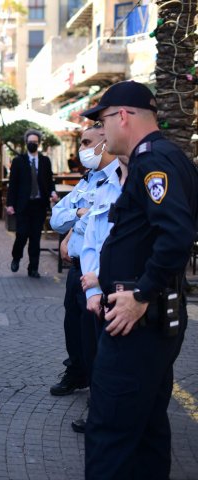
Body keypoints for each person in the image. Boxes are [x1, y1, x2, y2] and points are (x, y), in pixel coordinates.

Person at [80, 80, 198, 478]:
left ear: (124, 116)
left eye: (103, 121)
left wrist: (141, 293)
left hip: (138, 324)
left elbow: (176, 234)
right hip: (151, 323)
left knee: (110, 432)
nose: (100, 132)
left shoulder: (151, 162)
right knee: (146, 430)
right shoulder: (170, 157)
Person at [49, 126, 119, 398]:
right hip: (77, 268)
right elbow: (56, 217)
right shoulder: (89, 180)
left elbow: (105, 223)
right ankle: (77, 373)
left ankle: (99, 395)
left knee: (95, 336)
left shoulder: (119, 179)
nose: (82, 149)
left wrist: (76, 222)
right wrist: (77, 215)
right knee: (74, 327)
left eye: (87, 142)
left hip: (100, 271)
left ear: (105, 141)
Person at [72, 142, 128, 434]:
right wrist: (93, 291)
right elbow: (93, 240)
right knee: (98, 358)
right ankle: (99, 412)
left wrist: (100, 279)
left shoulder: (141, 184)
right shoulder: (105, 185)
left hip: (127, 294)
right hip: (98, 292)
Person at [6, 129, 58, 278]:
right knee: (21, 235)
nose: (32, 145)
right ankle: (16, 257)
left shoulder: (45, 161)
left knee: (35, 238)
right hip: (23, 205)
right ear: (26, 143)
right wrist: (10, 204)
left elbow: (49, 181)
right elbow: (13, 184)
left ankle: (33, 268)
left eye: (35, 142)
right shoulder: (18, 161)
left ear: (39, 143)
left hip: (39, 205)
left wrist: (52, 192)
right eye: (30, 142)